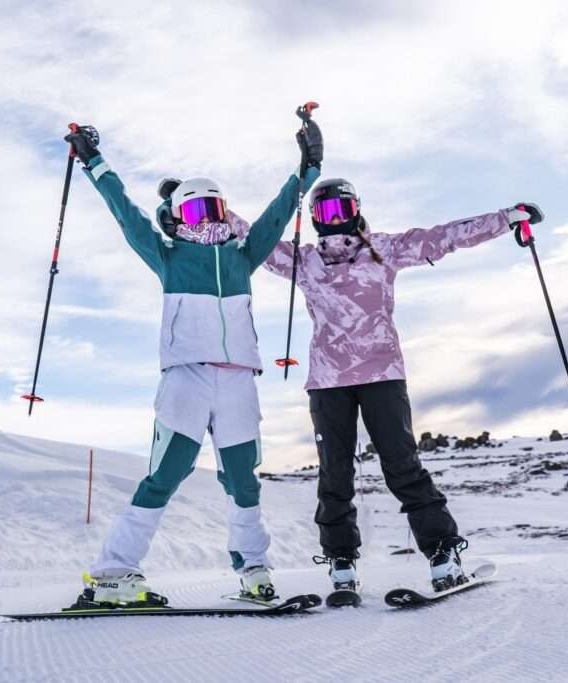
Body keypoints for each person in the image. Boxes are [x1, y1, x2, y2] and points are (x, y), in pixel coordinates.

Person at [63, 115, 323, 606]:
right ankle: (112, 572)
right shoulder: (168, 256)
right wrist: (92, 160)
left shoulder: (242, 255)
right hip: (186, 378)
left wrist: (307, 168)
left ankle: (253, 568)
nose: (210, 218)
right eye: (199, 209)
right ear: (180, 215)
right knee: (166, 475)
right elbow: (125, 212)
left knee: (244, 480)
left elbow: (279, 212)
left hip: (239, 383)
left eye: (217, 208)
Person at [262, 177, 542, 594]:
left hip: (382, 376)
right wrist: (195, 205)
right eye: (325, 212)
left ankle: (443, 552)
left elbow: (443, 238)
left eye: (342, 208)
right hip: (327, 380)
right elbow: (253, 240)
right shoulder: (304, 262)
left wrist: (506, 219)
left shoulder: (384, 250)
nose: (335, 219)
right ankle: (341, 562)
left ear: (357, 209)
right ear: (315, 219)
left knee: (402, 465)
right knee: (334, 474)